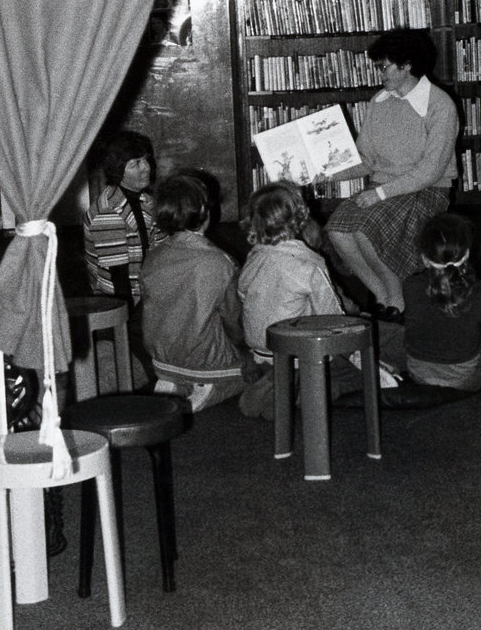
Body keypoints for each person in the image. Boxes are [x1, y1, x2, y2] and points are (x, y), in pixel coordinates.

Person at [325, 28, 459, 321]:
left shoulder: (439, 105)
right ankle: (385, 294)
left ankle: (396, 301)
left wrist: (379, 194)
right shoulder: (379, 102)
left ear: (406, 65)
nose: (379, 73)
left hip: (425, 190)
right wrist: (326, 172)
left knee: (365, 230)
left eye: (383, 66)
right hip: (381, 188)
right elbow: (366, 159)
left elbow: (430, 170)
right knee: (337, 228)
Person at [237, 180, 360, 415]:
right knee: (357, 370)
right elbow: (332, 316)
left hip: (262, 350)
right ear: (301, 216)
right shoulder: (309, 263)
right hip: (299, 352)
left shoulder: (253, 259)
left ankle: (278, 384)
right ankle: (312, 390)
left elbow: (243, 295)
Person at [138, 169, 253, 411]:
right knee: (258, 371)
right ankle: (208, 387)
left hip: (162, 359)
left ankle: (174, 383)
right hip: (204, 359)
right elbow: (234, 321)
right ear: (204, 212)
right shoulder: (219, 261)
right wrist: (246, 352)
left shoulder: (154, 256)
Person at [402, 212, 481, 392]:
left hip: (418, 375)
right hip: (466, 380)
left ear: (424, 258)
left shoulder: (409, 285)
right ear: (467, 253)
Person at [82, 128, 160, 305]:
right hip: (120, 303)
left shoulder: (146, 201)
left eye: (146, 160)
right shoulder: (106, 213)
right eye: (136, 164)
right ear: (118, 170)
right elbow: (119, 281)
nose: (146, 168)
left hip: (146, 292)